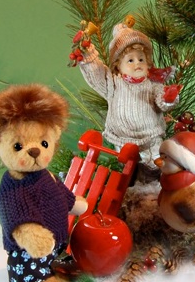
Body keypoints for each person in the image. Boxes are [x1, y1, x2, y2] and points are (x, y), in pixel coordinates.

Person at [76, 19, 181, 180]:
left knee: (155, 166)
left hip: (151, 138)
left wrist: (168, 97)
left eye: (141, 59)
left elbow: (162, 101)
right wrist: (87, 53)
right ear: (118, 65)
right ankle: (131, 183)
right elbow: (97, 73)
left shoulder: (152, 84)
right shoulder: (113, 84)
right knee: (127, 169)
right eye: (130, 60)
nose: (137, 63)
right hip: (122, 138)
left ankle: (154, 183)